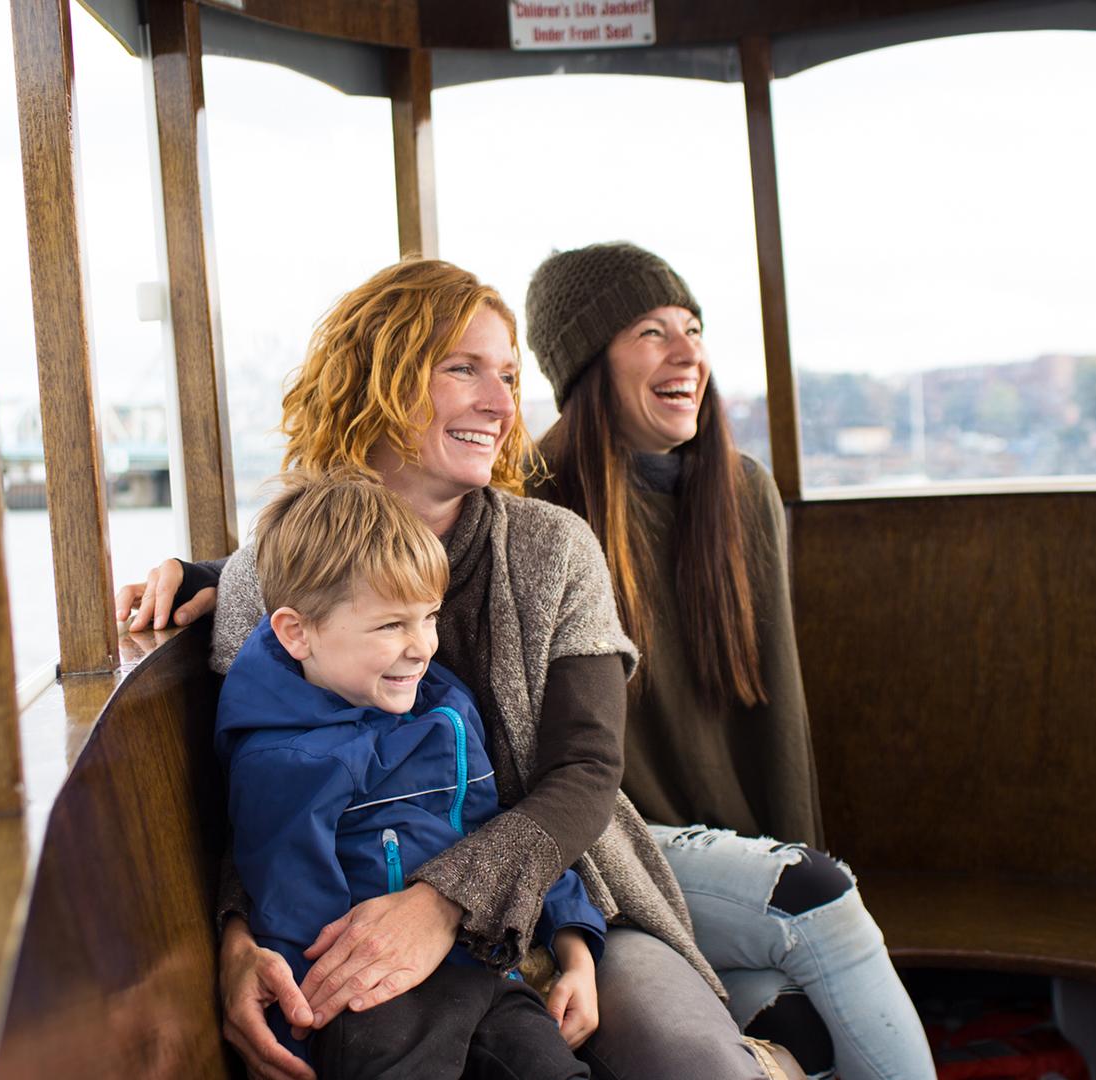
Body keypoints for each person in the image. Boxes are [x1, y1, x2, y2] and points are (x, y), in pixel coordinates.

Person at [119, 258, 773, 1080]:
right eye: (462, 369)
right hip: (351, 934)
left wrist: (449, 904)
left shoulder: (553, 548)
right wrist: (237, 942)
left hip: (562, 881)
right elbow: (251, 800)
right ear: (379, 380)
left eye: (506, 374)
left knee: (695, 1066)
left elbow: (585, 773)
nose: (501, 405)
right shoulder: (265, 574)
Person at [521, 241, 937, 1080]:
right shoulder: (530, 507)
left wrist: (785, 851)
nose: (689, 354)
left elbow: (775, 715)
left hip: (722, 864)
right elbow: (378, 540)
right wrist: (214, 576)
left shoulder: (738, 491)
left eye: (695, 328)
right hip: (612, 851)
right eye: (651, 331)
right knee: (815, 905)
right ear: (586, 364)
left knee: (800, 1017)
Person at [217, 471, 602, 1079]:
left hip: (486, 971)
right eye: (391, 625)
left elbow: (495, 833)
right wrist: (299, 1043)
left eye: (428, 617)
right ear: (297, 633)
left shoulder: (445, 709)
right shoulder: (286, 764)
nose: (423, 645)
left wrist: (572, 942)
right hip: (376, 1001)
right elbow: (291, 920)